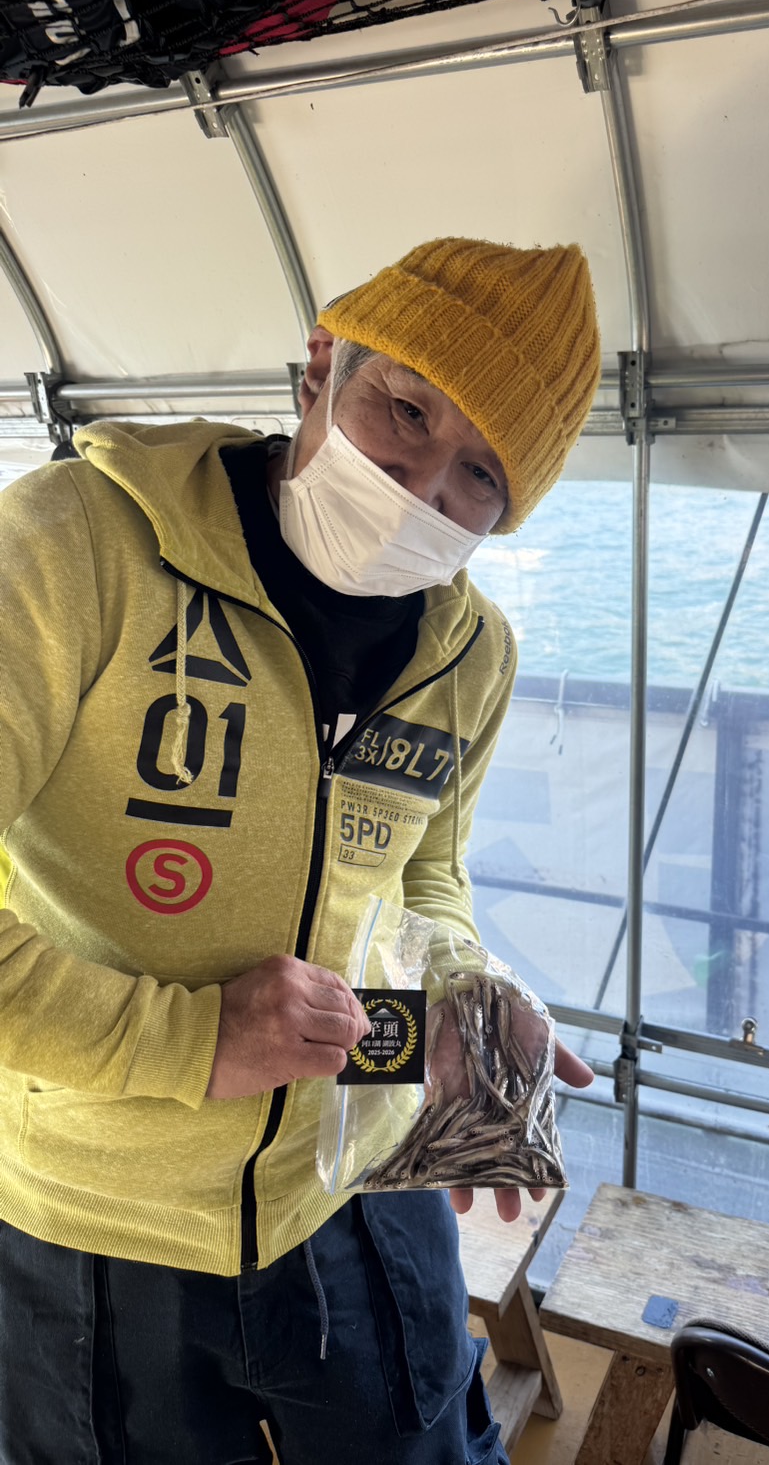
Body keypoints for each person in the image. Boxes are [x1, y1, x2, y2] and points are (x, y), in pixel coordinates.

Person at [0, 236, 601, 1464]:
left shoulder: (473, 654)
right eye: (406, 412)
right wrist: (191, 1038)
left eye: (480, 475)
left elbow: (424, 869)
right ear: (320, 367)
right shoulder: (74, 544)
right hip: (91, 1212)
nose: (419, 489)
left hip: (353, 1181)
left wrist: (463, 987)